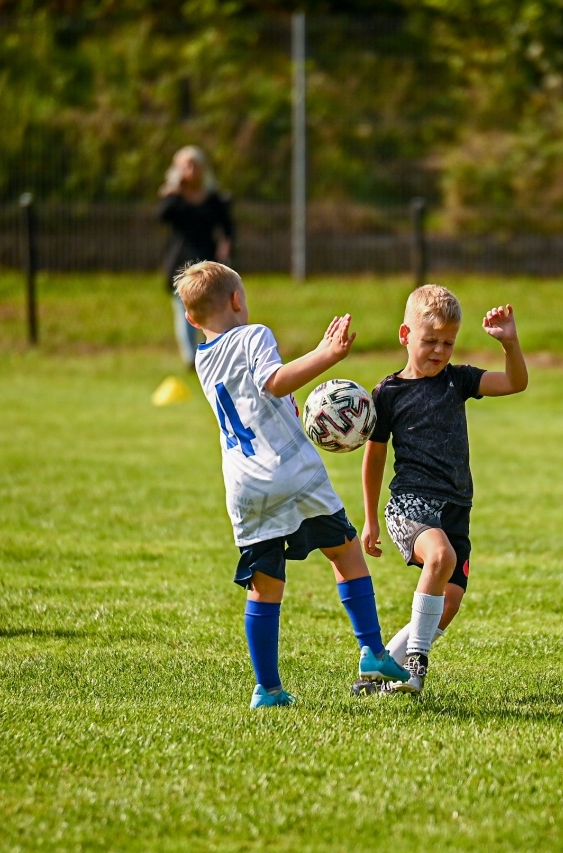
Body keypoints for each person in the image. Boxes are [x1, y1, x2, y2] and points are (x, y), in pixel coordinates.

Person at [173, 260, 408, 708]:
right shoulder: (253, 335)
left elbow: (256, 398)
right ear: (237, 300)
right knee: (344, 551)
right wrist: (326, 354)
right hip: (291, 470)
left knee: (265, 585)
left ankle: (268, 689)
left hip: (245, 486)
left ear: (191, 318)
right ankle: (373, 652)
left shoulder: (203, 358)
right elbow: (273, 382)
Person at [358, 285, 529, 695]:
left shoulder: (458, 380)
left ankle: (376, 676)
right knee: (440, 556)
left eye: (448, 343)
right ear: (405, 335)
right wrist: (370, 519)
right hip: (409, 505)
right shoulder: (388, 393)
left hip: (456, 508)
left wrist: (509, 342)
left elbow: (515, 382)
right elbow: (374, 457)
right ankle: (416, 664)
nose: (439, 350)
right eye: (430, 340)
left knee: (449, 601)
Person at [159, 146, 234, 370]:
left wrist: (226, 246)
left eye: (194, 165)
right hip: (180, 260)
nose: (191, 171)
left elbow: (228, 228)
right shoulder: (174, 198)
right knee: (183, 309)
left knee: (213, 306)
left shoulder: (213, 199)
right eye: (185, 166)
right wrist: (175, 189)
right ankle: (191, 359)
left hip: (207, 259)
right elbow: (162, 215)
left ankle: (213, 352)